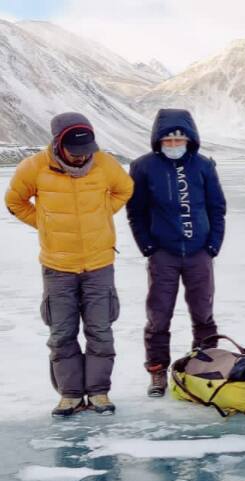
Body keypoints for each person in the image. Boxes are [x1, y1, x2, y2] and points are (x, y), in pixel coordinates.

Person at [4, 112, 133, 416]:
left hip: (99, 263)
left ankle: (99, 393)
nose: (81, 157)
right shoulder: (34, 167)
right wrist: (44, 224)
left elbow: (125, 189)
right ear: (59, 144)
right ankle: (71, 395)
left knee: (100, 330)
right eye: (75, 152)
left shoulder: (105, 164)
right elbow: (14, 202)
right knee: (61, 333)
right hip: (57, 266)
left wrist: (102, 215)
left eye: (86, 150)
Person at [127, 109, 226, 397]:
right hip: (163, 253)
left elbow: (217, 208)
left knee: (203, 314)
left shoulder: (204, 166)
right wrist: (148, 246)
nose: (173, 145)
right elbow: (136, 211)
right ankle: (157, 372)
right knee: (159, 316)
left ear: (190, 139)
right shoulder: (143, 167)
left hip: (199, 252)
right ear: (158, 141)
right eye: (167, 140)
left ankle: (206, 367)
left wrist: (212, 246)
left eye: (179, 139)